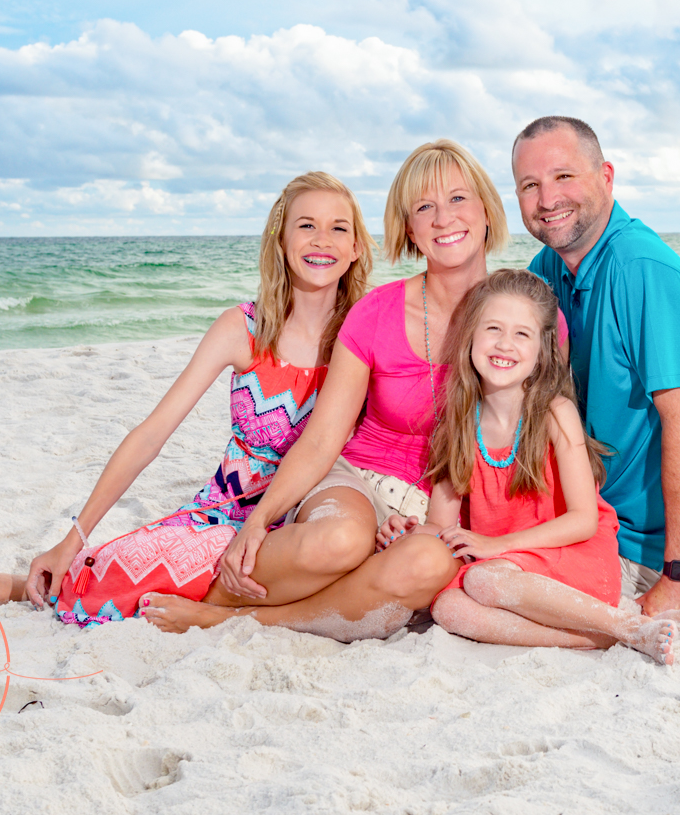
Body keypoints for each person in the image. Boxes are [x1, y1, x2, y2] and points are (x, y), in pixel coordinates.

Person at [0, 171, 376, 622]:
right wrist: (73, 537)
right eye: (306, 225)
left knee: (349, 556)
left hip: (319, 507)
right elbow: (152, 435)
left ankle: (212, 607)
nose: (321, 240)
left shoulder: (368, 334)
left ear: (356, 248)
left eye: (338, 228)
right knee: (132, 568)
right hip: (228, 511)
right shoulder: (244, 329)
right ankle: (21, 586)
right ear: (280, 240)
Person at [140, 139, 511, 639]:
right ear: (409, 229)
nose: (444, 218)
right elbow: (322, 437)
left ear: (487, 210)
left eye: (459, 199)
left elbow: (529, 441)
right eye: (425, 206)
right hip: (355, 481)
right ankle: (213, 599)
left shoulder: (523, 316)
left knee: (429, 563)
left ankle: (241, 619)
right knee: (341, 540)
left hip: (437, 510)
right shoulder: (374, 312)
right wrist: (260, 518)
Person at [379, 269, 680, 664]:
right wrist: (411, 531)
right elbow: (443, 526)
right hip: (506, 569)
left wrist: (497, 546)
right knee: (448, 609)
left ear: (542, 349)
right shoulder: (457, 423)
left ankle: (625, 625)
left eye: (521, 334)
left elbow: (583, 520)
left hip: (570, 556)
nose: (504, 344)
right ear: (470, 337)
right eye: (493, 328)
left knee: (482, 579)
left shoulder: (554, 412)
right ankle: (595, 638)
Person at [511, 116, 680, 617]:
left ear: (606, 176)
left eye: (564, 177)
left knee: (478, 585)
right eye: (530, 185)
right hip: (596, 510)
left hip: (657, 547)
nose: (548, 199)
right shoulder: (547, 268)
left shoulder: (641, 269)